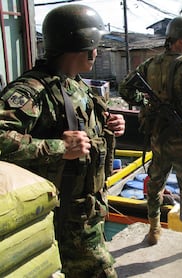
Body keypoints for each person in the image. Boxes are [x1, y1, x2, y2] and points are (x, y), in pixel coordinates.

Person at [0, 4, 125, 277]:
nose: (97, 52)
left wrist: (110, 126)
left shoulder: (75, 85)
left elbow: (84, 130)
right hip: (62, 215)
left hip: (87, 214)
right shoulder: (33, 90)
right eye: (95, 46)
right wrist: (58, 147)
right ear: (83, 45)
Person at [119, 16, 182, 255]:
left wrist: (145, 103)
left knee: (155, 184)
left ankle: (153, 229)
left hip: (159, 138)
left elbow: (125, 89)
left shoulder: (150, 64)